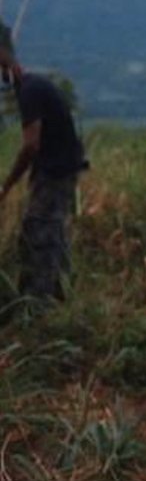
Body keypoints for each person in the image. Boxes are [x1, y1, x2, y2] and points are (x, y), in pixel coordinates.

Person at [0, 28, 85, 304]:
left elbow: (30, 145)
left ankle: (40, 301)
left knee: (39, 229)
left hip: (56, 171)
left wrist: (7, 185)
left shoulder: (30, 91)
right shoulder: (32, 86)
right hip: (58, 167)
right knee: (51, 229)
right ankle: (59, 294)